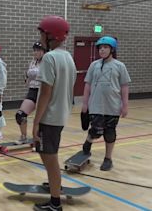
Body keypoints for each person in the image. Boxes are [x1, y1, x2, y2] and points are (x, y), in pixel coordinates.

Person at [32, 15, 76, 211]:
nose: (40, 38)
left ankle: (55, 204)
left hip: (49, 118)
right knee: (50, 158)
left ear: (52, 35)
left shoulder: (49, 58)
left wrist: (35, 122)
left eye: (42, 33)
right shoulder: (68, 57)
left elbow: (45, 94)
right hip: (60, 116)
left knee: (51, 161)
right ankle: (54, 188)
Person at [81, 36, 130, 171]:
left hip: (113, 106)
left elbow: (124, 86)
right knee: (96, 131)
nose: (102, 50)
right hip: (96, 105)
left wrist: (125, 105)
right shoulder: (94, 65)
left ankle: (108, 158)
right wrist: (85, 103)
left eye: (105, 47)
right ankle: (88, 142)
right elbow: (88, 84)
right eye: (100, 48)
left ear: (112, 49)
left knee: (110, 133)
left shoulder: (120, 66)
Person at [15, 41, 47, 143]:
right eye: (34, 50)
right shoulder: (33, 62)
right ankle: (23, 136)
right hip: (33, 90)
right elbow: (29, 75)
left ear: (43, 52)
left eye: (38, 51)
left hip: (43, 91)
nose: (35, 53)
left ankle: (39, 139)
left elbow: (41, 75)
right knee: (20, 115)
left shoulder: (47, 62)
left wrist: (32, 74)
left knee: (40, 118)